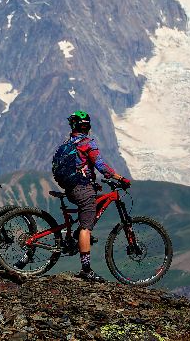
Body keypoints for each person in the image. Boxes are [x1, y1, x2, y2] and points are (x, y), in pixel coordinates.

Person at [55, 110, 131, 282]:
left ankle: (76, 237)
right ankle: (86, 269)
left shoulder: (69, 143)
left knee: (94, 204)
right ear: (87, 126)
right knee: (86, 228)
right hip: (82, 189)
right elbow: (101, 166)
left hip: (72, 188)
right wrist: (121, 178)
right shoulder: (87, 143)